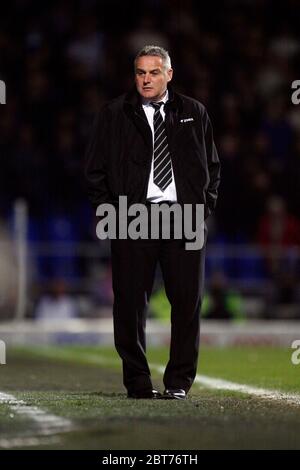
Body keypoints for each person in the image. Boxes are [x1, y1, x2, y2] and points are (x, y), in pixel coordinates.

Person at [85, 45, 220, 399]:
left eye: (153, 72)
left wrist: (202, 208)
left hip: (184, 217)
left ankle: (178, 383)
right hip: (132, 217)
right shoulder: (114, 113)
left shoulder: (195, 112)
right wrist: (109, 213)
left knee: (188, 303)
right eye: (141, 73)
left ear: (168, 75)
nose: (146, 79)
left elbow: (213, 168)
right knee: (128, 303)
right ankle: (138, 383)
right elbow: (95, 171)